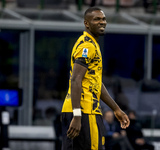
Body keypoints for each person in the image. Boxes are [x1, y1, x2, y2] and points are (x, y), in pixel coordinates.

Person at [61, 7, 130, 150]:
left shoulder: (91, 44)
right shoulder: (87, 46)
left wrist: (116, 109)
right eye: (97, 19)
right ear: (87, 23)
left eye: (103, 19)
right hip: (85, 111)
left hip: (81, 111)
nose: (102, 22)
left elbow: (96, 84)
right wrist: (77, 115)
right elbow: (75, 80)